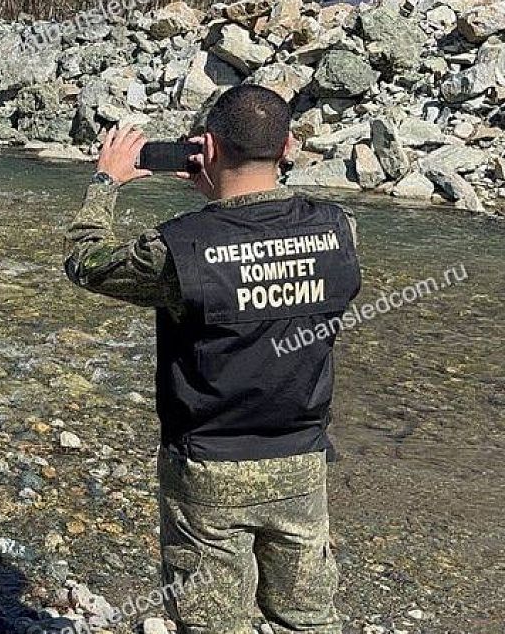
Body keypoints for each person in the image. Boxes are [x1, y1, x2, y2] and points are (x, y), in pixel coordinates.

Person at [64, 85, 361, 634]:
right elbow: (270, 235)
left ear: (208, 147)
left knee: (214, 625)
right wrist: (226, 191)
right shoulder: (340, 228)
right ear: (288, 146)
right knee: (310, 621)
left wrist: (105, 181)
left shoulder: (181, 246)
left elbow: (87, 261)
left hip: (209, 468)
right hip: (302, 460)